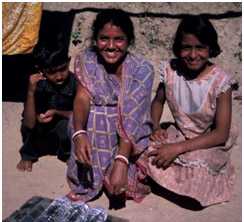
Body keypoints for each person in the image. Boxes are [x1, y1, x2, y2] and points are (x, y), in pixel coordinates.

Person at [66, 8, 154, 205]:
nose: (111, 46)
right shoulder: (87, 60)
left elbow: (133, 119)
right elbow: (82, 98)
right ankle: (88, 182)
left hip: (127, 136)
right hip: (94, 130)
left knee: (125, 185)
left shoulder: (143, 70)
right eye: (104, 38)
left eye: (119, 39)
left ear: (129, 40)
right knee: (92, 116)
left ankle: (119, 170)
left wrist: (122, 161)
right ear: (96, 40)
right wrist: (79, 133)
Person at [148, 15, 237, 207]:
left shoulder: (221, 82)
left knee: (200, 168)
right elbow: (157, 102)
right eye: (187, 47)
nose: (193, 55)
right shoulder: (171, 71)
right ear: (178, 49)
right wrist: (156, 127)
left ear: (210, 48)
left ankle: (171, 183)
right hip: (179, 133)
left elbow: (221, 134)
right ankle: (172, 182)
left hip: (207, 140)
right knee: (146, 148)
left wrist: (178, 148)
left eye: (200, 48)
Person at [17, 39, 77, 172]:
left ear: (68, 62)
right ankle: (28, 154)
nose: (59, 76)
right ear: (42, 70)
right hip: (40, 126)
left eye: (63, 69)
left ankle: (65, 154)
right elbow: (28, 123)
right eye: (52, 72)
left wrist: (57, 112)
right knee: (29, 129)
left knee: (69, 126)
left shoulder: (74, 82)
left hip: (61, 123)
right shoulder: (37, 85)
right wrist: (31, 92)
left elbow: (78, 114)